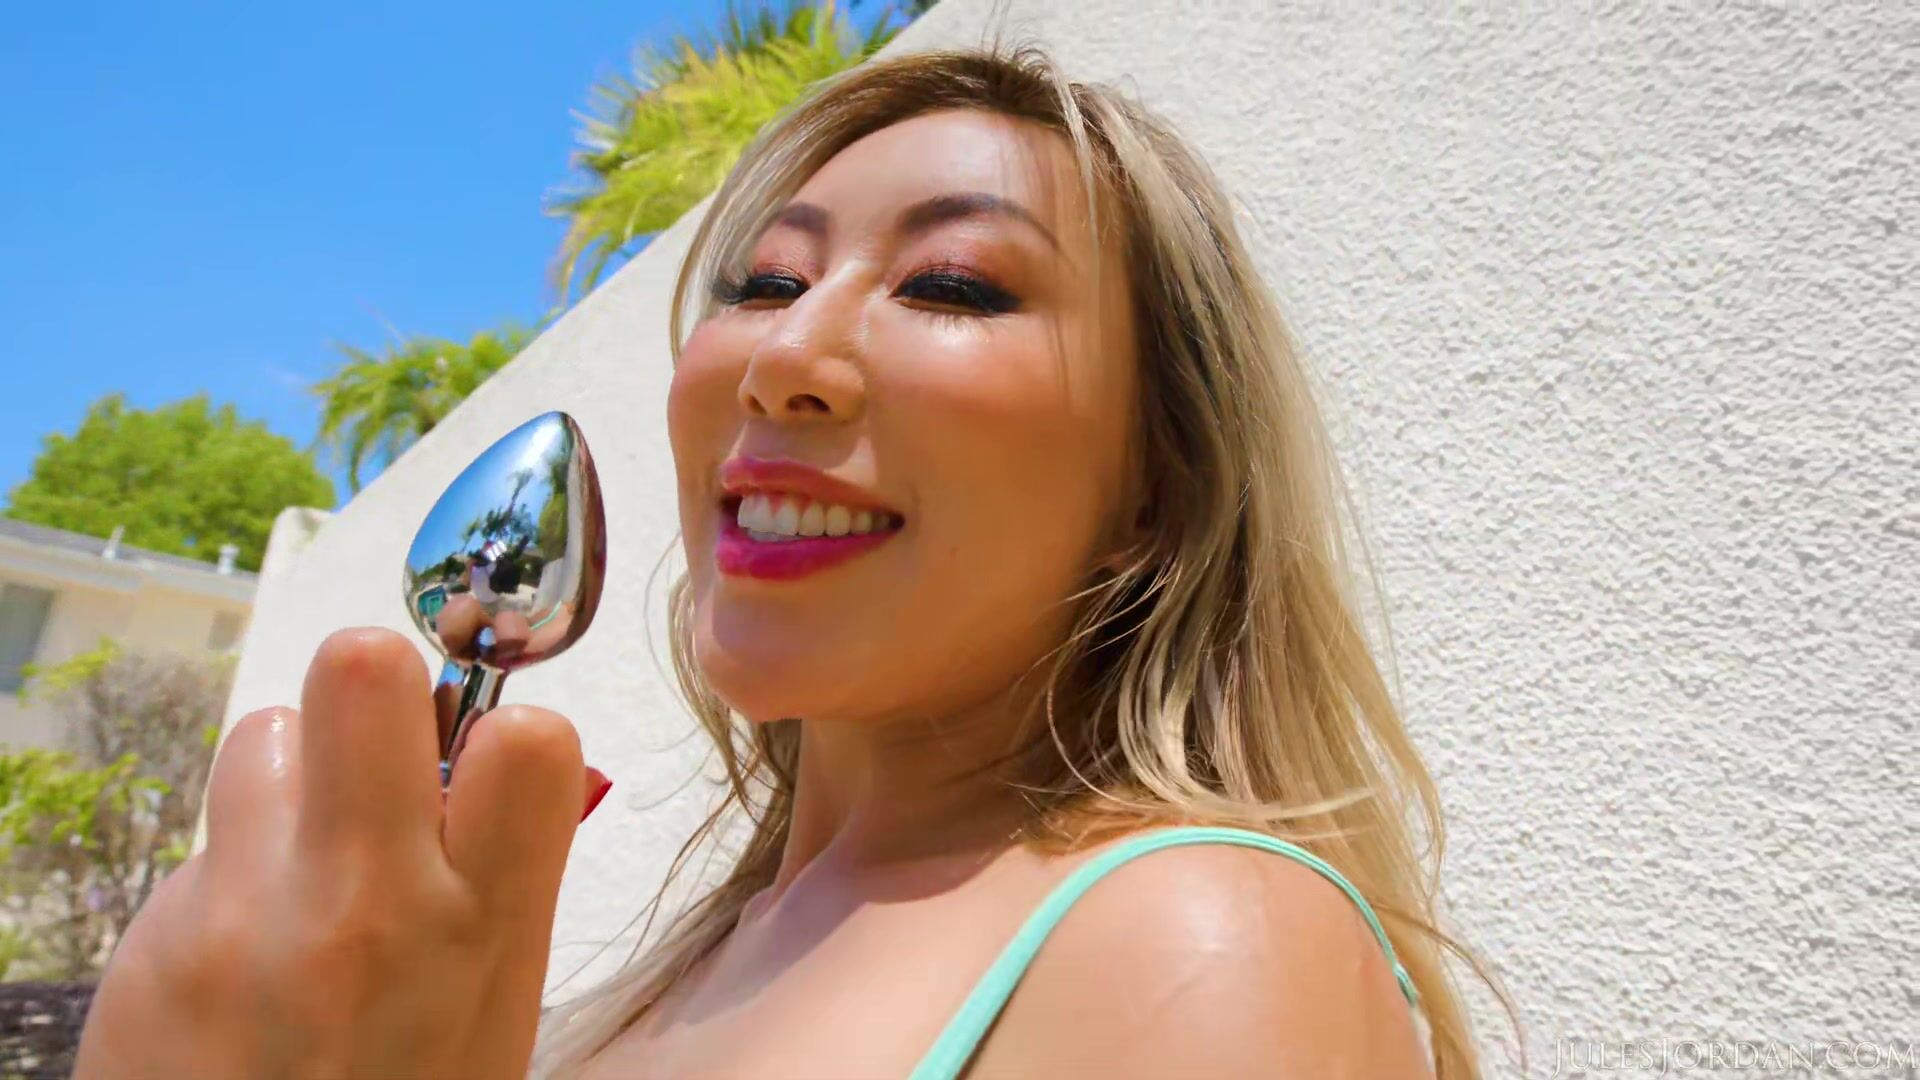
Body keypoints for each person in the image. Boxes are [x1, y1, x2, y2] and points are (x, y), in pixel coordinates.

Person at [73, 43, 1506, 1079]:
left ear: (1158, 485)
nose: (786, 356)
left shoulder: (1199, 942)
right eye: (767, 282)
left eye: (953, 285)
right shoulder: (669, 967)